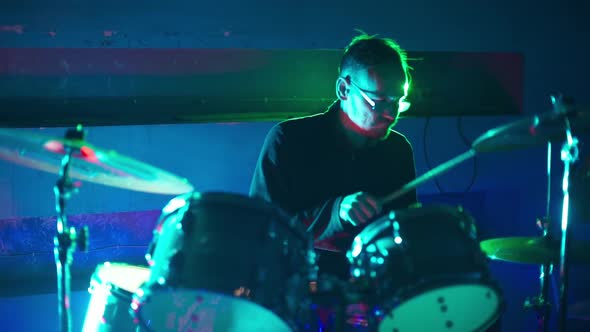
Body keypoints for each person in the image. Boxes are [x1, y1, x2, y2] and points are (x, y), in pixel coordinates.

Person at [249, 32, 417, 279]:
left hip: (374, 289)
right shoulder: (289, 140)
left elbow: (402, 232)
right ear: (344, 89)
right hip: (300, 286)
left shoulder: (398, 149)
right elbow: (262, 228)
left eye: (397, 101)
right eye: (379, 101)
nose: (391, 114)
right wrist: (335, 213)